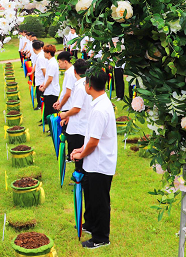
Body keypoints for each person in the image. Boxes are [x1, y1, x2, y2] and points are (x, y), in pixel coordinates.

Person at [71, 69, 117, 249]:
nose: (84, 86)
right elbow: (91, 137)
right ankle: (89, 224)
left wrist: (81, 154)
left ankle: (101, 237)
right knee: (90, 197)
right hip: (93, 162)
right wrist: (81, 148)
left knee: (100, 202)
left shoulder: (100, 109)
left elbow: (95, 142)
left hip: (100, 163)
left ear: (89, 86)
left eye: (85, 83)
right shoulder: (98, 103)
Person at [59, 59, 90, 171]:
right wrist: (68, 116)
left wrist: (65, 114)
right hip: (83, 124)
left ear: (74, 71)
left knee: (78, 157)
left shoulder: (80, 86)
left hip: (78, 127)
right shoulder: (87, 84)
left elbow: (77, 108)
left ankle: (79, 180)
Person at [39, 44, 60, 131]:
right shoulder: (49, 62)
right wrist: (43, 84)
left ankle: (53, 128)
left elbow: (50, 79)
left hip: (52, 91)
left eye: (45, 52)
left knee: (51, 111)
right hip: (49, 90)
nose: (43, 54)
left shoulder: (52, 63)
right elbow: (47, 77)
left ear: (49, 53)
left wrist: (44, 87)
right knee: (48, 109)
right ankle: (50, 127)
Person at [32, 41, 46, 111]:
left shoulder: (41, 57)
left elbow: (44, 70)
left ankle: (40, 105)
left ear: (33, 49)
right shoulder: (41, 55)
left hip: (41, 80)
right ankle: (40, 105)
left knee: (40, 94)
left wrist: (45, 81)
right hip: (40, 79)